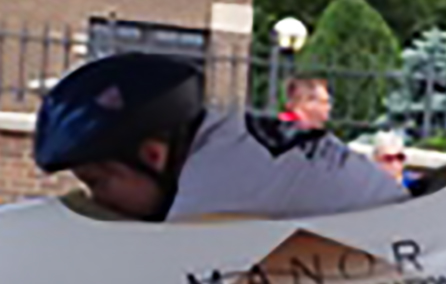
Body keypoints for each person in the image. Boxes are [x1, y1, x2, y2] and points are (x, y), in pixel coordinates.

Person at [34, 52, 393, 220]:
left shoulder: (210, 197)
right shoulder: (227, 143)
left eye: (98, 181)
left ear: (152, 155)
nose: (98, 199)